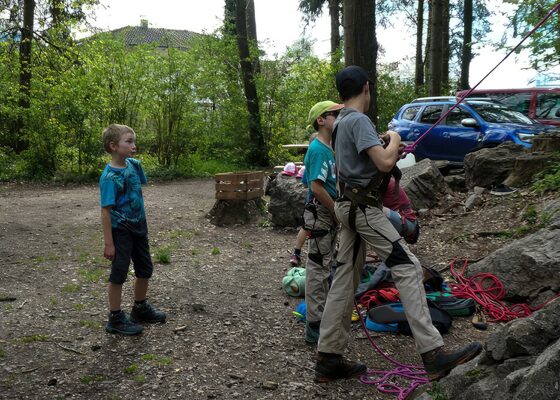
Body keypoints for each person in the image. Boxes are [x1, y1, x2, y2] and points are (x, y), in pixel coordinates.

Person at [314, 66, 482, 382]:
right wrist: (394, 138)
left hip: (348, 207)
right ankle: (433, 353)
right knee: (407, 266)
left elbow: (365, 161)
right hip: (364, 210)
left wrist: (387, 146)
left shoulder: (340, 125)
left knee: (344, 280)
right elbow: (385, 162)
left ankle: (328, 359)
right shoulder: (359, 120)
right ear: (366, 87)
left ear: (340, 94)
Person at [100, 124, 166, 335]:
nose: (134, 146)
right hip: (121, 232)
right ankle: (116, 318)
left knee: (145, 269)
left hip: (139, 228)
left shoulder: (135, 166)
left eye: (134, 141)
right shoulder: (109, 178)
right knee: (119, 273)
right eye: (128, 142)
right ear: (113, 146)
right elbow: (105, 212)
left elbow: (137, 193)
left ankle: (140, 307)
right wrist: (109, 243)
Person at [301, 101, 344, 344]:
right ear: (321, 120)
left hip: (328, 212)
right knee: (317, 268)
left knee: (326, 265)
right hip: (321, 212)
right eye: (334, 114)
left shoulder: (329, 148)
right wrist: (336, 210)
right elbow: (315, 187)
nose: (338, 117)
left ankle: (323, 318)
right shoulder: (317, 150)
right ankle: (314, 325)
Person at [289, 132, 319, 267]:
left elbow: (305, 183)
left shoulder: (309, 161)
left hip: (312, 198)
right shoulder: (315, 160)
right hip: (314, 200)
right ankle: (297, 252)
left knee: (308, 226)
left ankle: (297, 253)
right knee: (309, 226)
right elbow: (307, 183)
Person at [382, 176, 419, 244]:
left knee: (375, 210)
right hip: (407, 221)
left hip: (407, 222)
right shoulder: (386, 177)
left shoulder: (384, 179)